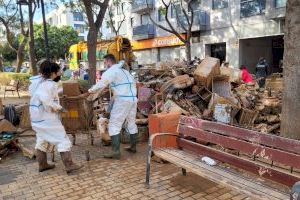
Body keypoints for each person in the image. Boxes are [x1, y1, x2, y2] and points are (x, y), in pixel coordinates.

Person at [29, 60, 83, 173]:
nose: (61, 72)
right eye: (59, 70)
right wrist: (60, 108)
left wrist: (58, 96)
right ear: (53, 72)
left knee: (42, 140)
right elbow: (47, 101)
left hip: (37, 120)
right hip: (47, 119)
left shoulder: (39, 83)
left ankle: (42, 164)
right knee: (63, 139)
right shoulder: (48, 84)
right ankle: (69, 165)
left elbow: (48, 95)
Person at [85, 54, 138, 159]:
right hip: (133, 99)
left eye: (105, 62)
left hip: (122, 100)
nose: (104, 65)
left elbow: (101, 83)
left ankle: (116, 152)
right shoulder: (125, 71)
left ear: (109, 61)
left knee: (114, 125)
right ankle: (133, 147)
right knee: (131, 122)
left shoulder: (111, 71)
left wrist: (90, 91)